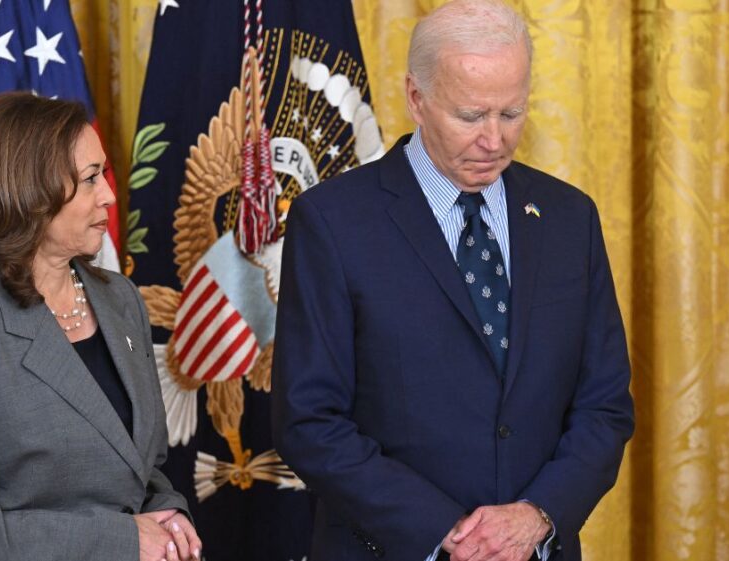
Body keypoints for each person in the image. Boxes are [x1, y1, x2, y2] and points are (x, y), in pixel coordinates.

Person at [271, 1, 634, 560]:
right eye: (471, 116)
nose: (495, 140)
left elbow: (605, 406)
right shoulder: (333, 222)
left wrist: (536, 517)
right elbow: (309, 421)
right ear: (417, 98)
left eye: (512, 113)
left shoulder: (569, 218)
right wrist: (446, 533)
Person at [0, 92, 202, 561]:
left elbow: (140, 471)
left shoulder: (120, 299)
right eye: (90, 179)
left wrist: (169, 515)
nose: (109, 193)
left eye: (102, 174)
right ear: (28, 194)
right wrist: (121, 541)